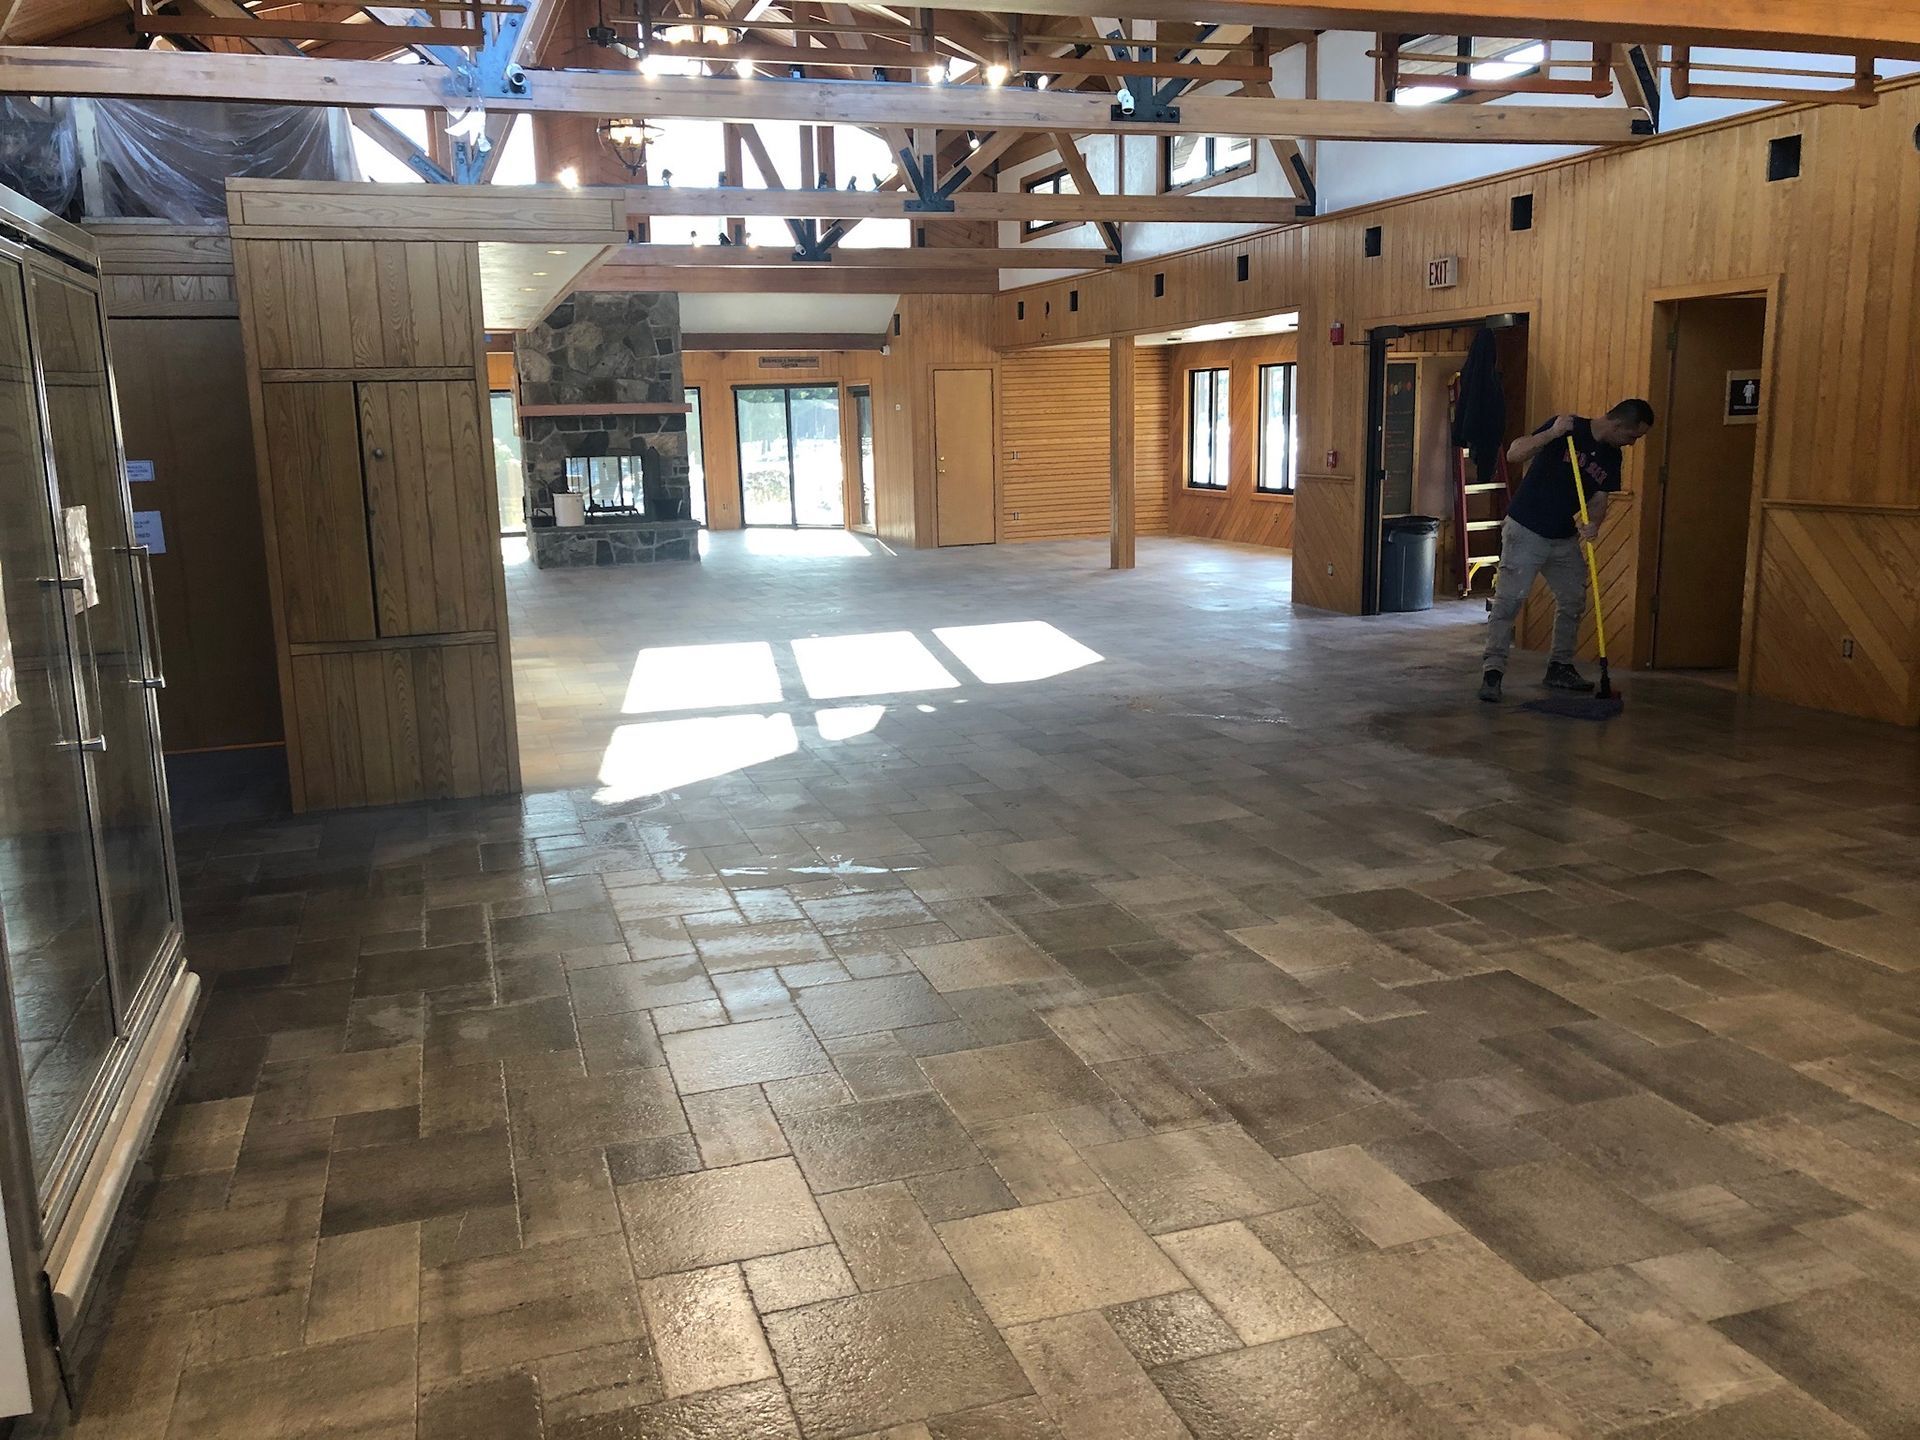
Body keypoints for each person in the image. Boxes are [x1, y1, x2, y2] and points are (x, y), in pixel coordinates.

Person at [1479, 399, 1655, 703]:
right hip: (1526, 529)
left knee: (1573, 598)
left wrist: (1594, 524)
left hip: (1563, 536)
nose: (1632, 443)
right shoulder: (1568, 427)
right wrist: (1551, 434)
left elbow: (1599, 498)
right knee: (1509, 601)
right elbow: (1514, 453)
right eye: (1632, 436)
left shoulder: (1612, 457)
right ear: (1617, 425)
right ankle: (1492, 671)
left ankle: (1559, 666)